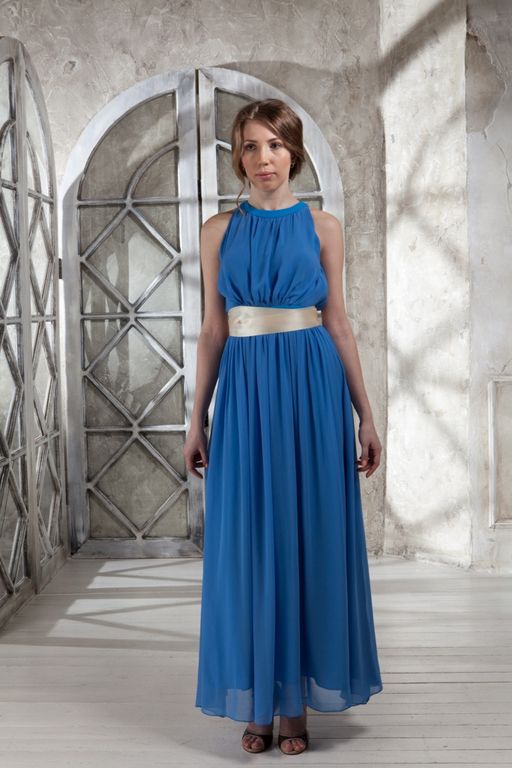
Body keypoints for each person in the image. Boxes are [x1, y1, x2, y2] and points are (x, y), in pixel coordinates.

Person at [183, 98, 383, 756]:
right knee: (250, 541)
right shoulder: (218, 231)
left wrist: (365, 413)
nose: (262, 158)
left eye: (274, 145)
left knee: (309, 536)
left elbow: (339, 322)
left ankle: (294, 708)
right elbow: (213, 330)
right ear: (237, 157)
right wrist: (197, 419)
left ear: (293, 152)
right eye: (249, 146)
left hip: (312, 388)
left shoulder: (324, 227)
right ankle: (258, 701)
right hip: (245, 393)